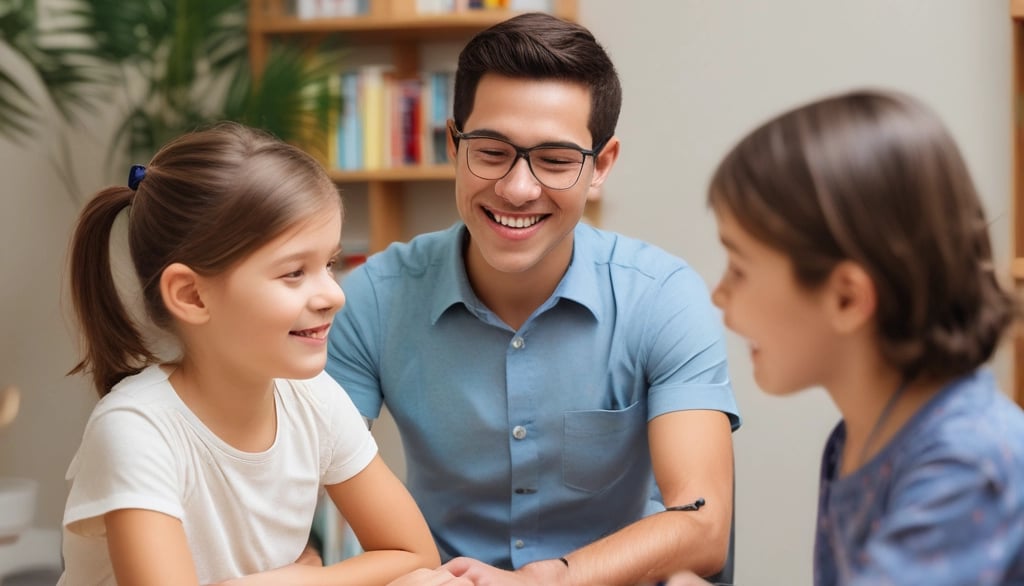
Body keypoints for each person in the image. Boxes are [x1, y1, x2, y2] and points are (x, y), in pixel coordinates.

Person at [327, 12, 740, 586]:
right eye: (492, 151)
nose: (518, 190)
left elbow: (704, 525)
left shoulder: (662, 296)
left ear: (600, 167)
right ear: (454, 145)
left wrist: (547, 580)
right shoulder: (373, 297)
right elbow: (298, 483)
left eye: (555, 160)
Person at [59, 122, 439, 586]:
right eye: (294, 272)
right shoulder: (136, 430)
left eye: (330, 264)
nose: (334, 295)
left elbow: (415, 554)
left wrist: (285, 581)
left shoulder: (315, 399)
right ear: (193, 296)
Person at [670, 89, 1024, 585]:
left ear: (847, 298)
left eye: (740, 268)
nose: (719, 294)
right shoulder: (855, 440)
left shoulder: (970, 463)